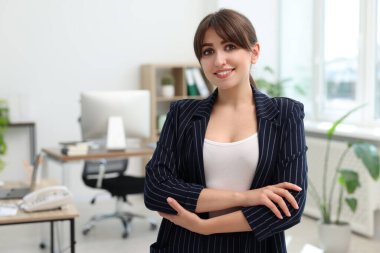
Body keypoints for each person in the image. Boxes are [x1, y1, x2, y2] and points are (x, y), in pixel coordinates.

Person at [144, 8, 308, 253]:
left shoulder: (285, 114)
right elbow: (156, 190)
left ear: (254, 52)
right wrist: (246, 197)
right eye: (208, 51)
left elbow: (290, 206)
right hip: (185, 246)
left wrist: (206, 226)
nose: (219, 60)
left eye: (230, 46)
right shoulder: (182, 114)